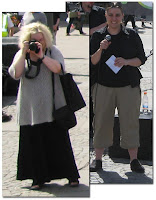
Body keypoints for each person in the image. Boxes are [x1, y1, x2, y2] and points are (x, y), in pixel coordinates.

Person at [8, 22, 80, 190]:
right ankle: (37, 178)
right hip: (30, 109)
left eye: (41, 39)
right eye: (33, 40)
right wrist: (24, 52)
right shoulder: (22, 54)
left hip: (52, 107)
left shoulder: (52, 51)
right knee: (34, 145)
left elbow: (59, 69)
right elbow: (15, 74)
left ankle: (71, 176)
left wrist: (41, 56)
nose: (38, 43)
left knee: (59, 144)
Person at [90, 3, 147, 173]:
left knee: (130, 122)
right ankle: (98, 159)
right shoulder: (98, 36)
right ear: (106, 17)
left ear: (122, 16)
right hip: (103, 86)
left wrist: (126, 62)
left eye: (117, 15)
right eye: (111, 15)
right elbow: (93, 61)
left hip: (128, 86)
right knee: (101, 122)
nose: (114, 19)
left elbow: (141, 59)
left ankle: (134, 160)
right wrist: (101, 49)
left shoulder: (132, 35)